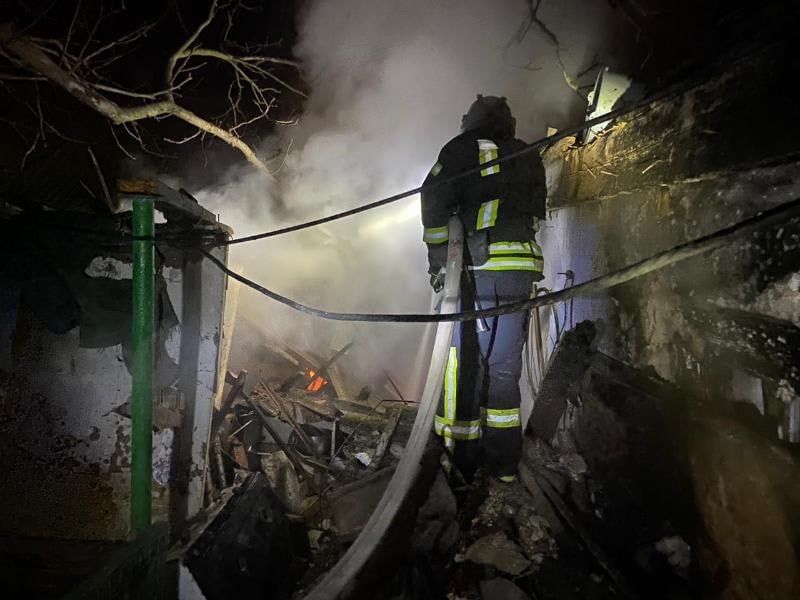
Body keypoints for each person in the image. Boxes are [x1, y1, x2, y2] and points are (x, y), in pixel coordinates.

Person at [421, 95, 547, 483]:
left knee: (462, 366)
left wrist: (440, 259)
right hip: (519, 273)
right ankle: (504, 467)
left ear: (470, 121)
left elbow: (433, 203)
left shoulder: (460, 149)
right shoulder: (528, 154)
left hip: (477, 271)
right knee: (504, 369)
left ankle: (458, 461)